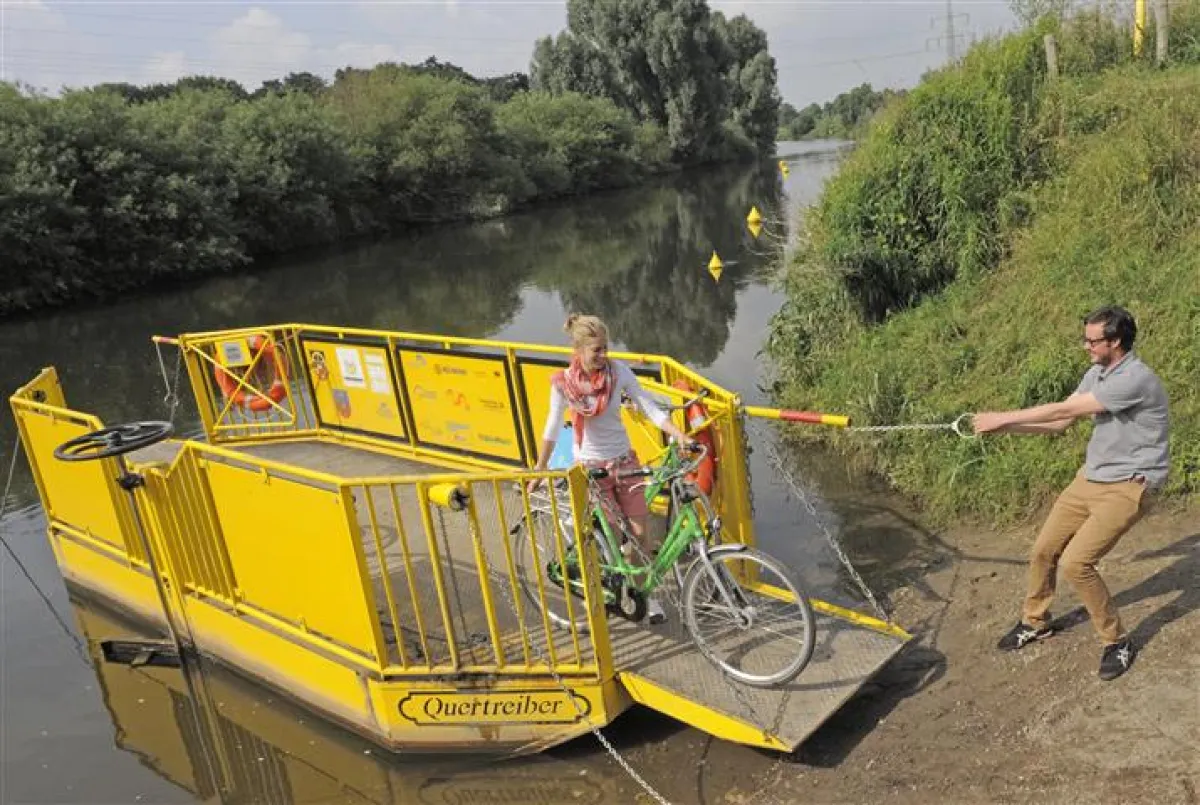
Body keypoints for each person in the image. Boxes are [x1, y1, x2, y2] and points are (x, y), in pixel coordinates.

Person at [973, 305, 1168, 681]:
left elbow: (1065, 407)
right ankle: (1035, 621)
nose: (1085, 346)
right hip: (1091, 479)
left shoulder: (1135, 379)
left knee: (1077, 563)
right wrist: (1006, 429)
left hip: (1130, 485)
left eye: (1092, 340)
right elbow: (1061, 422)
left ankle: (1117, 641)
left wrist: (1003, 415)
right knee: (1044, 550)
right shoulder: (1097, 372)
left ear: (1115, 341)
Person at [531, 314, 695, 625]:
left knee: (640, 535)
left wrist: (679, 434)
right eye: (597, 350)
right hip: (592, 469)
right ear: (578, 350)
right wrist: (540, 468)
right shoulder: (563, 384)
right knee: (611, 541)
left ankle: (645, 595)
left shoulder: (618, 373)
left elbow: (646, 405)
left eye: (606, 348)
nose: (605, 355)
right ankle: (602, 592)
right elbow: (552, 426)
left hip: (624, 461)